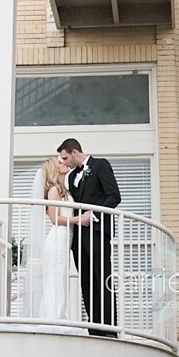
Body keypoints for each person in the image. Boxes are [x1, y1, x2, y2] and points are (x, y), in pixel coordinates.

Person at [57, 138, 121, 338]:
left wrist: (92, 216)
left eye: (66, 158)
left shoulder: (100, 165)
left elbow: (114, 196)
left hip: (98, 232)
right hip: (79, 239)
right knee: (87, 283)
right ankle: (94, 329)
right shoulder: (73, 175)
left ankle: (109, 329)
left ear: (75, 152)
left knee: (102, 279)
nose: (65, 162)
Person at [36, 156, 90, 333]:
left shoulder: (63, 189)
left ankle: (57, 315)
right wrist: (79, 219)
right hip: (58, 238)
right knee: (55, 277)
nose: (64, 163)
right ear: (53, 169)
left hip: (65, 238)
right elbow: (54, 218)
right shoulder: (53, 190)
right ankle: (52, 319)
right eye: (60, 162)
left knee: (60, 277)